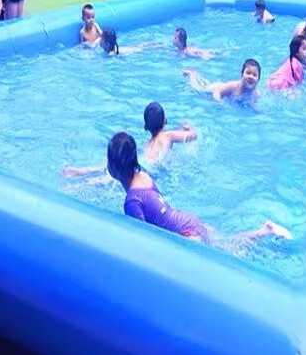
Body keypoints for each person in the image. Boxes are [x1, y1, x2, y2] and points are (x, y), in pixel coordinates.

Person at [107, 132, 292, 244]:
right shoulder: (144, 177)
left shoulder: (132, 201)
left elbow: (141, 238)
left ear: (114, 167)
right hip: (187, 221)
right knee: (225, 240)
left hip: (186, 234)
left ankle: (265, 231)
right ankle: (264, 230)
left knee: (229, 248)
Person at [62, 101, 196, 180]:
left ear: (145, 127)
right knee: (112, 179)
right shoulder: (168, 136)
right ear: (165, 120)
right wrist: (189, 128)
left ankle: (85, 171)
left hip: (143, 163)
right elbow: (193, 136)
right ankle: (89, 180)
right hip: (149, 169)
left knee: (110, 171)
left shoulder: (149, 143)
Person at [183, 59, 261, 104]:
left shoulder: (256, 94)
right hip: (215, 89)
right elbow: (217, 92)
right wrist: (219, 103)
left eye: (254, 75)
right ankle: (192, 74)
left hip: (224, 91)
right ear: (242, 75)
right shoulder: (233, 86)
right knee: (198, 88)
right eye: (248, 73)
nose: (251, 77)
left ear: (258, 79)